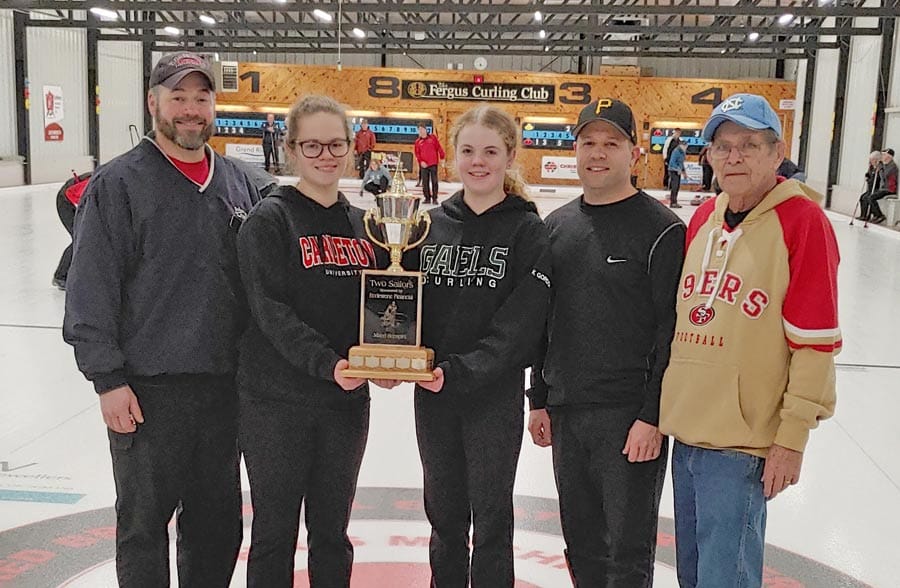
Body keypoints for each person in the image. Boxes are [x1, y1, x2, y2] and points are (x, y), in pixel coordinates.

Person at [63, 51, 260, 587]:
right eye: (178, 97)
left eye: (202, 98)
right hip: (148, 392)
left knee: (216, 526)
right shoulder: (119, 184)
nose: (191, 110)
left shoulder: (239, 184)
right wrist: (108, 379)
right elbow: (91, 288)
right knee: (144, 527)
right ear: (153, 103)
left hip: (223, 391)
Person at [659, 93, 841, 588]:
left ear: (776, 153)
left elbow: (815, 341)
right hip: (688, 433)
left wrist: (792, 438)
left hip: (743, 443)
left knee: (726, 578)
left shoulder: (804, 224)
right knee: (694, 574)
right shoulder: (703, 219)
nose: (734, 156)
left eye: (748, 144)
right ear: (710, 156)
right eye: (722, 146)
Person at [527, 98, 684, 587]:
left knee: (628, 551)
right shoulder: (555, 228)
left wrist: (652, 416)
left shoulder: (662, 230)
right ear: (575, 151)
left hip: (628, 418)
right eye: (588, 143)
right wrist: (539, 399)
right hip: (568, 413)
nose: (598, 153)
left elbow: (670, 331)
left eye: (611, 143)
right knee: (583, 545)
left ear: (634, 154)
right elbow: (543, 323)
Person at [236, 95, 391, 588]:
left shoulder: (365, 225)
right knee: (274, 532)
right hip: (276, 403)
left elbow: (384, 305)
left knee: (332, 531)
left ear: (351, 148)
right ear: (291, 149)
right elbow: (269, 311)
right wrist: (327, 363)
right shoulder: (270, 219)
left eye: (336, 144)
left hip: (344, 403)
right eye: (312, 145)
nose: (326, 155)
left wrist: (390, 356)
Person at [411, 105, 551, 586]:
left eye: (490, 151)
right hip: (433, 394)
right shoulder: (427, 227)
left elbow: (521, 325)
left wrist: (464, 370)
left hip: (492, 396)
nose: (478, 161)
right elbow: (402, 303)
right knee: (444, 516)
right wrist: (398, 357)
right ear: (452, 157)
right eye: (468, 150)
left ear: (509, 156)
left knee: (491, 518)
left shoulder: (528, 231)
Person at [52, 170, 91, 290]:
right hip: (65, 200)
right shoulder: (96, 184)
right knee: (79, 238)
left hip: (76, 199)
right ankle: (61, 276)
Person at [415, 123, 446, 204]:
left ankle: (435, 198)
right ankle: (427, 198)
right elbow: (417, 153)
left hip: (433, 163)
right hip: (424, 165)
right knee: (425, 182)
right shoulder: (418, 142)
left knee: (434, 181)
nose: (421, 131)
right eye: (419, 130)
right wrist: (421, 161)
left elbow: (438, 147)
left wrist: (442, 157)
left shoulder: (433, 138)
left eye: (422, 129)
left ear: (425, 130)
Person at [865, 148, 898, 224]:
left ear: (889, 156)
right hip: (883, 188)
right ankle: (875, 215)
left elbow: (886, 175)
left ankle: (880, 215)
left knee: (871, 197)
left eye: (884, 155)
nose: (882, 156)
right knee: (868, 196)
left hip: (889, 189)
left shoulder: (892, 166)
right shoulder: (884, 165)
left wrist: (881, 168)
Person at [856, 150, 883, 220]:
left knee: (867, 198)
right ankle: (863, 215)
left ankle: (875, 214)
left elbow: (877, 180)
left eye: (872, 159)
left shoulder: (880, 168)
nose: (870, 161)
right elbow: (869, 175)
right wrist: (867, 175)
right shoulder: (871, 167)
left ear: (877, 159)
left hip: (877, 188)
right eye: (870, 159)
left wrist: (869, 179)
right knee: (862, 197)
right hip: (870, 188)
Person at [354, 118, 377, 183]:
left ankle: (367, 176)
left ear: (367, 125)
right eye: (363, 124)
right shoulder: (358, 133)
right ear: (361, 125)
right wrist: (355, 149)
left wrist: (370, 148)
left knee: (367, 164)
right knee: (361, 164)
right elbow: (356, 142)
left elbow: (373, 142)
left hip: (367, 150)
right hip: (360, 151)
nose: (364, 126)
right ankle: (361, 176)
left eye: (365, 124)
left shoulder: (370, 133)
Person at [667, 138, 688, 208]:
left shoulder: (683, 152)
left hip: (678, 171)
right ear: (681, 145)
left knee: (677, 187)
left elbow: (681, 163)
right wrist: (678, 169)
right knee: (674, 186)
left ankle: (674, 201)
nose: (686, 148)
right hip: (673, 170)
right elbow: (672, 162)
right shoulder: (676, 151)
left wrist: (684, 172)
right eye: (684, 146)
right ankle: (672, 202)